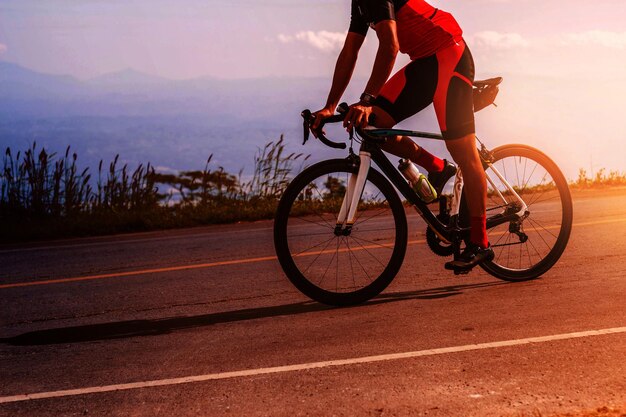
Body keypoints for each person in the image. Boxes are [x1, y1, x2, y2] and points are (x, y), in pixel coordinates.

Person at [310, 0, 494, 271]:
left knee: (463, 152)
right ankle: (438, 168)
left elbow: (390, 46)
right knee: (372, 126)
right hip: (424, 64)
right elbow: (350, 50)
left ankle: (480, 243)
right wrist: (330, 106)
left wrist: (366, 99)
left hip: (450, 56)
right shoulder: (360, 3)